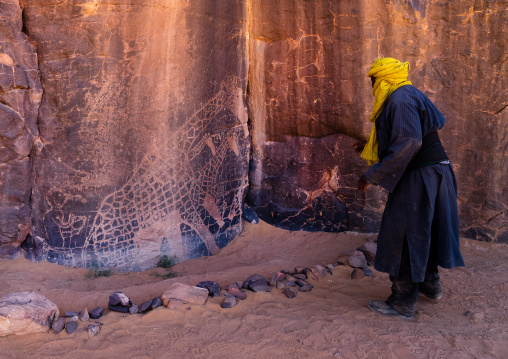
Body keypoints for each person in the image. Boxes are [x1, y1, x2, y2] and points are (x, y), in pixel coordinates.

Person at [355, 57, 464, 319]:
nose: (371, 85)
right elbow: (415, 137)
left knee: (403, 234)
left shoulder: (400, 98)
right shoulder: (408, 93)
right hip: (436, 173)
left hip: (421, 177)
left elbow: (410, 142)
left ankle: (402, 301)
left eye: (373, 80)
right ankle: (430, 284)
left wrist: (373, 174)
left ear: (383, 79)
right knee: (425, 230)